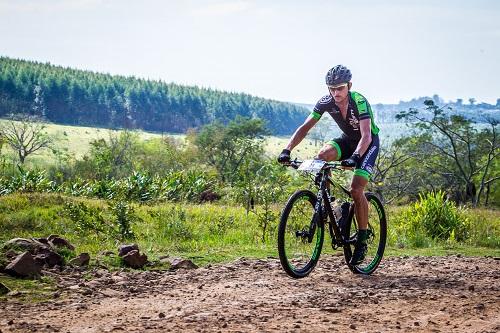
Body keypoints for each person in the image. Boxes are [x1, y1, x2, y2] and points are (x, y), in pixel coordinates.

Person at [277, 65, 380, 265]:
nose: (335, 93)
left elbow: (366, 135)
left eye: (340, 88)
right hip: (347, 140)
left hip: (367, 144)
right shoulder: (325, 102)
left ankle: (362, 239)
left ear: (349, 86)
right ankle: (331, 205)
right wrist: (287, 150)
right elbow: (304, 128)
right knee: (321, 156)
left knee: (356, 189)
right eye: (331, 89)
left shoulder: (359, 101)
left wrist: (356, 156)